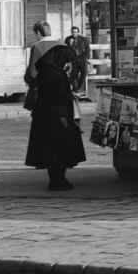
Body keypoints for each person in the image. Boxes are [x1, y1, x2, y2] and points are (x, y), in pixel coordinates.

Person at [26, 45, 85, 191]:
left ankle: (58, 179)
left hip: (51, 115)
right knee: (57, 150)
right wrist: (72, 96)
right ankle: (57, 180)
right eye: (67, 61)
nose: (68, 64)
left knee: (56, 151)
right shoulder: (52, 73)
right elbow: (53, 96)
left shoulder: (50, 70)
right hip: (53, 116)